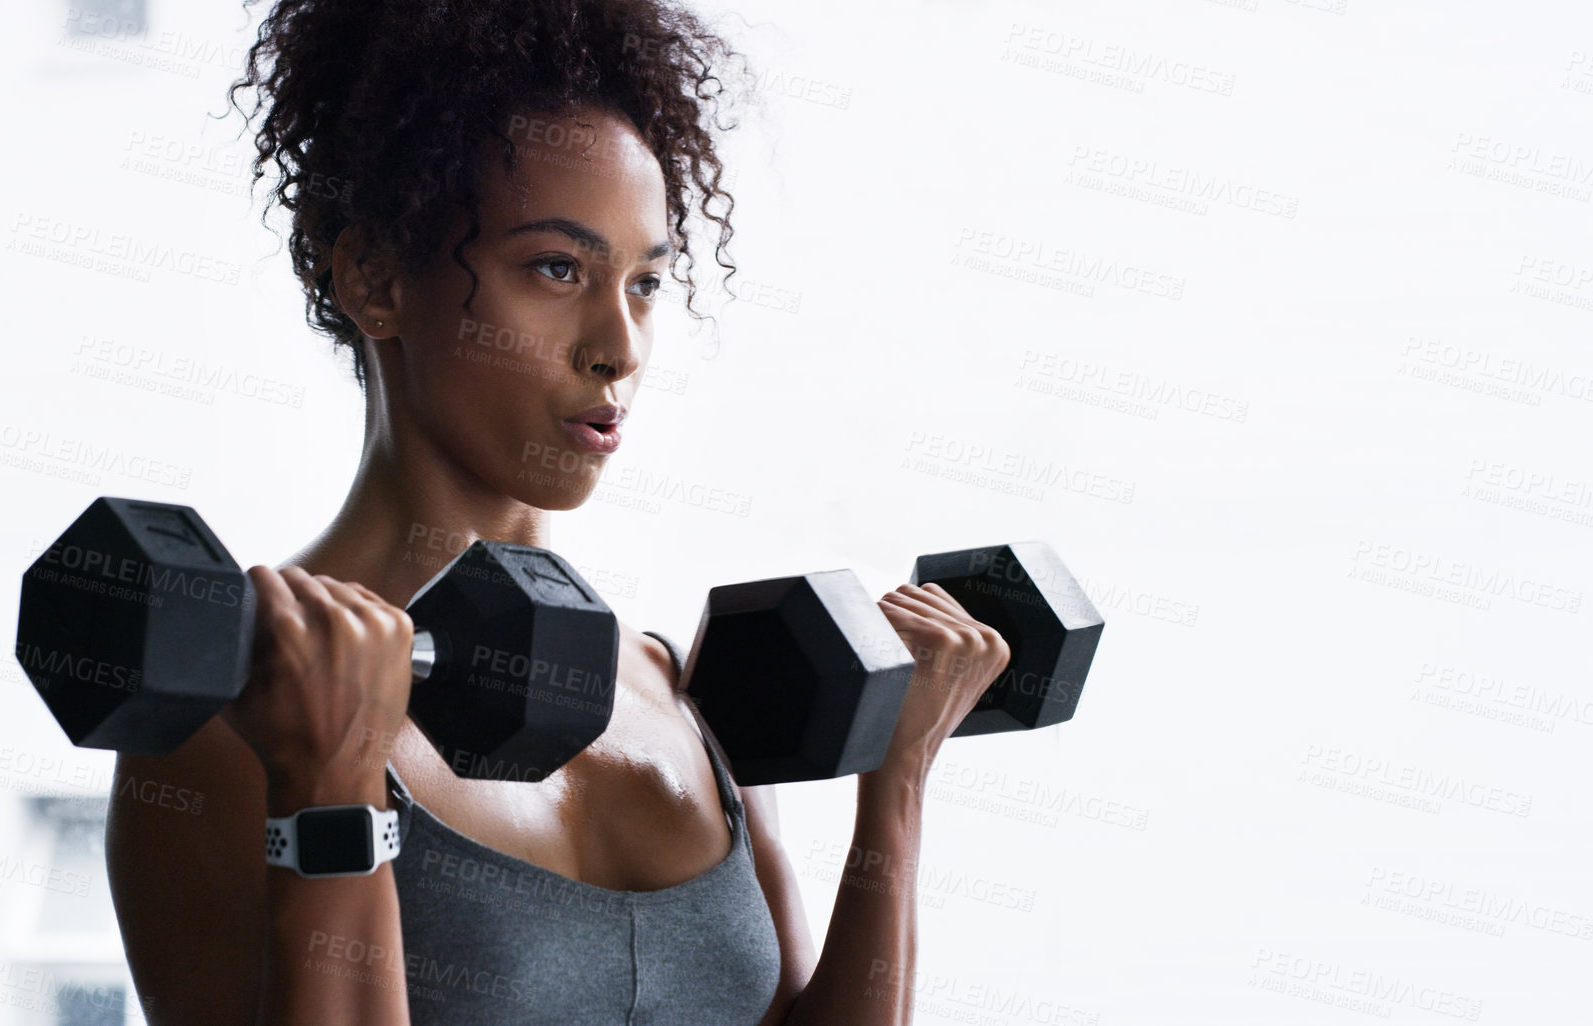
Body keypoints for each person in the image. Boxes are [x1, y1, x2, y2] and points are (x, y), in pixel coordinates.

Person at [104, 2, 1010, 1023]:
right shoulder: (233, 715)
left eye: (646, 283)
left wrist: (898, 784)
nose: (617, 344)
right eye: (557, 269)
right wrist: (329, 789)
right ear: (371, 276)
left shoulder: (682, 696)